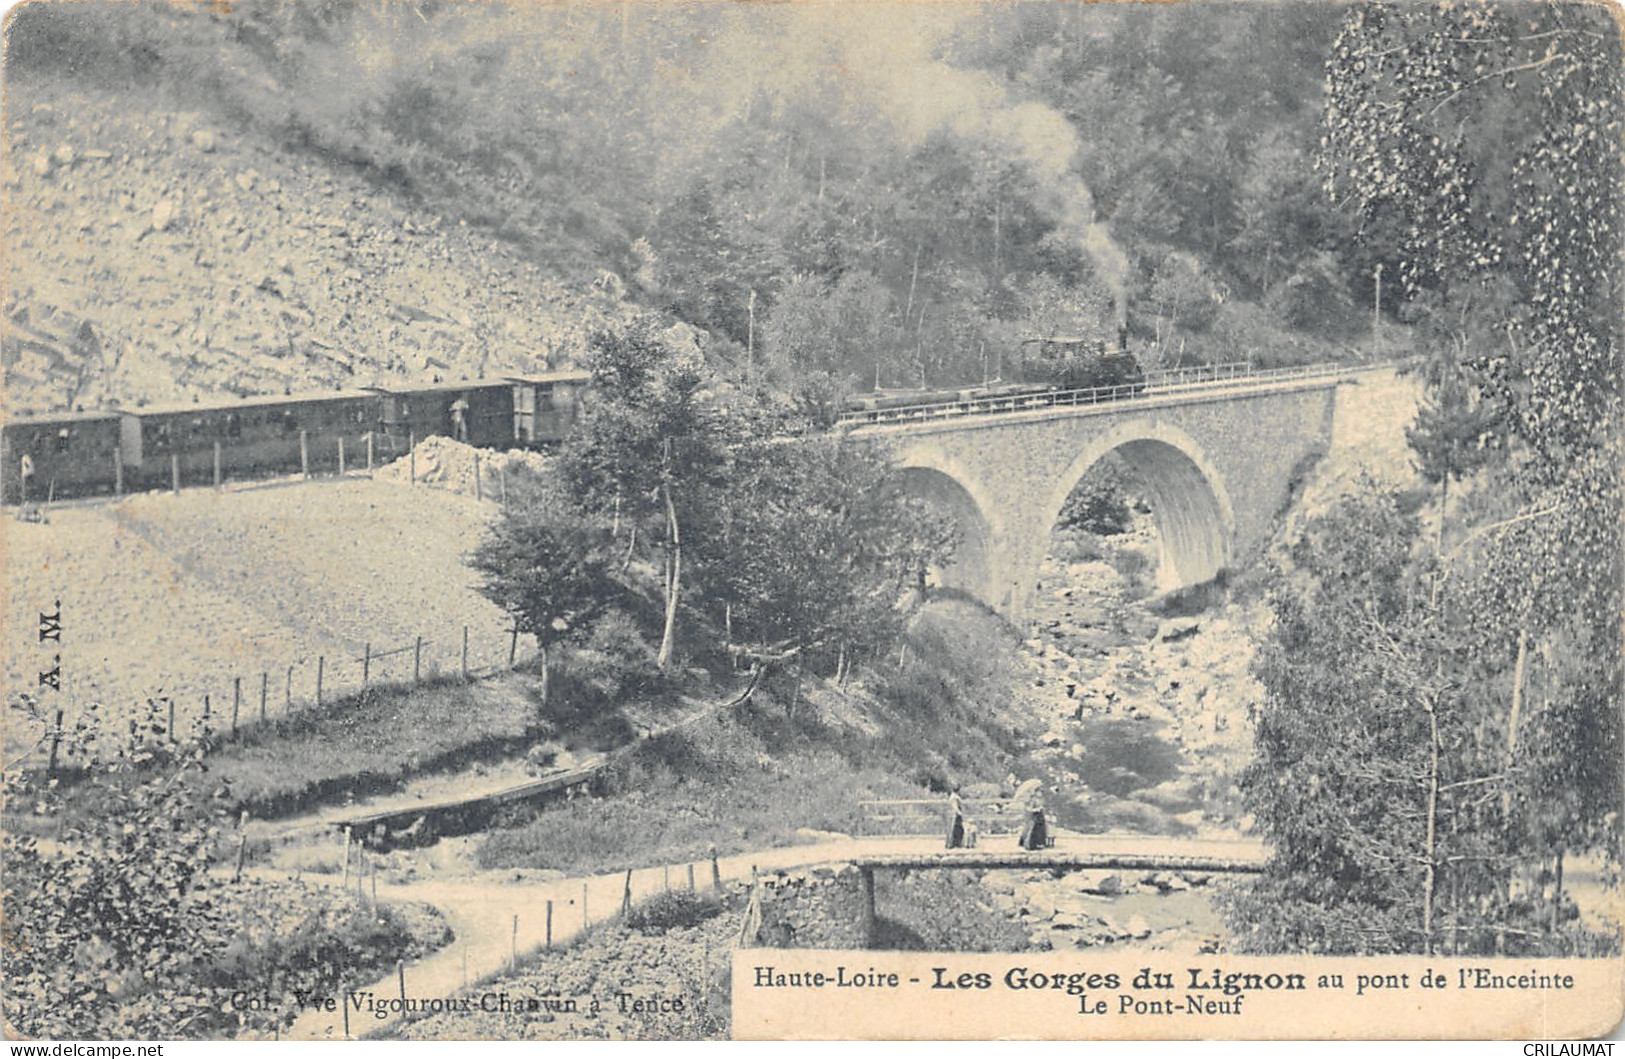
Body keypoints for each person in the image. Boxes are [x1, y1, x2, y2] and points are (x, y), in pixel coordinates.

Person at [1015, 778, 1047, 851]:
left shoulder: (1039, 799)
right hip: (1034, 816)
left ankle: (1039, 843)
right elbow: (1029, 808)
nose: (1040, 792)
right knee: (1033, 830)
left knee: (1040, 830)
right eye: (1039, 791)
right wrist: (1036, 809)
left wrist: (1041, 808)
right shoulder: (1032, 799)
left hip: (1039, 816)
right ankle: (1031, 844)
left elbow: (1041, 805)